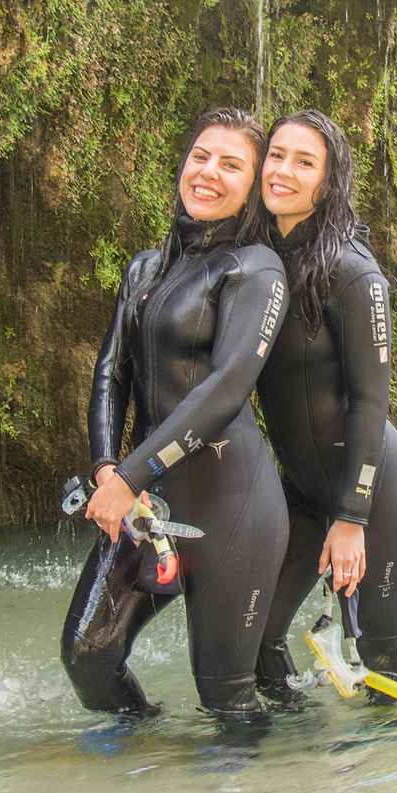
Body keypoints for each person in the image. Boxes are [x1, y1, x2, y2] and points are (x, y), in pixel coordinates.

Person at [61, 107, 290, 716]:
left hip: (232, 507)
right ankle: (138, 766)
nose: (208, 172)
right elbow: (111, 373)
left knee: (225, 696)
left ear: (252, 188)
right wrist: (109, 468)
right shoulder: (145, 266)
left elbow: (224, 390)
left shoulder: (257, 270)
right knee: (88, 657)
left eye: (231, 164)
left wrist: (133, 473)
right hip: (144, 504)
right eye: (200, 156)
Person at [252, 109, 397, 694]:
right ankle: (294, 757)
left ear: (327, 182)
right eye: (276, 155)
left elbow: (371, 401)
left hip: (373, 492)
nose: (283, 171)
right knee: (255, 637)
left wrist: (351, 517)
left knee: (377, 653)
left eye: (304, 162)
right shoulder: (258, 257)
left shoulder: (354, 272)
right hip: (301, 488)